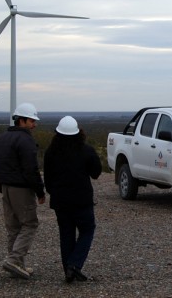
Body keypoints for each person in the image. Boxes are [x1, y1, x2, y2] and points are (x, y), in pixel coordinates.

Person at [44, 115, 102, 283]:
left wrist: (53, 193)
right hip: (82, 201)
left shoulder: (50, 152)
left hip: (60, 202)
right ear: (78, 132)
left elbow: (48, 179)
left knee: (66, 235)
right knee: (87, 230)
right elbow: (96, 173)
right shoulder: (86, 150)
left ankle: (68, 271)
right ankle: (74, 264)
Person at [0, 102, 46, 280]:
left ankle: (16, 264)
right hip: (21, 189)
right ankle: (14, 260)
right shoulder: (25, 140)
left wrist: (0, 186)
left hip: (5, 187)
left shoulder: (2, 138)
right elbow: (31, 169)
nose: (34, 124)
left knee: (13, 226)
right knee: (29, 223)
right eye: (31, 120)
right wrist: (40, 191)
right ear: (21, 120)